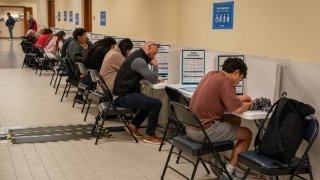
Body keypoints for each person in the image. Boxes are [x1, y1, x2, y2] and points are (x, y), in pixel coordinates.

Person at [187, 57, 253, 179]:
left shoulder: (211, 75)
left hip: (190, 127)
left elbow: (226, 100)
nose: (239, 82)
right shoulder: (227, 83)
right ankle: (228, 172)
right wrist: (252, 103)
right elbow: (238, 109)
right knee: (247, 134)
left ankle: (218, 159)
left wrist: (241, 99)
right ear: (237, 72)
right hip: (203, 132)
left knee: (234, 120)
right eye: (240, 78)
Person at [113, 41, 162, 145]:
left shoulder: (138, 56)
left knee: (149, 102)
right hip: (122, 97)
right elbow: (153, 79)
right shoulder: (139, 60)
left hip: (122, 94)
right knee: (156, 103)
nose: (155, 56)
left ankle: (133, 125)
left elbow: (147, 76)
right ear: (148, 48)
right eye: (155, 53)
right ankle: (149, 135)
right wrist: (155, 65)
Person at [66, 28, 92, 101]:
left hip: (85, 67)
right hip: (78, 69)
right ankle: (80, 94)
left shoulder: (87, 43)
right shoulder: (74, 45)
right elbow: (76, 58)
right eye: (84, 36)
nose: (86, 37)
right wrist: (88, 59)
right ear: (78, 37)